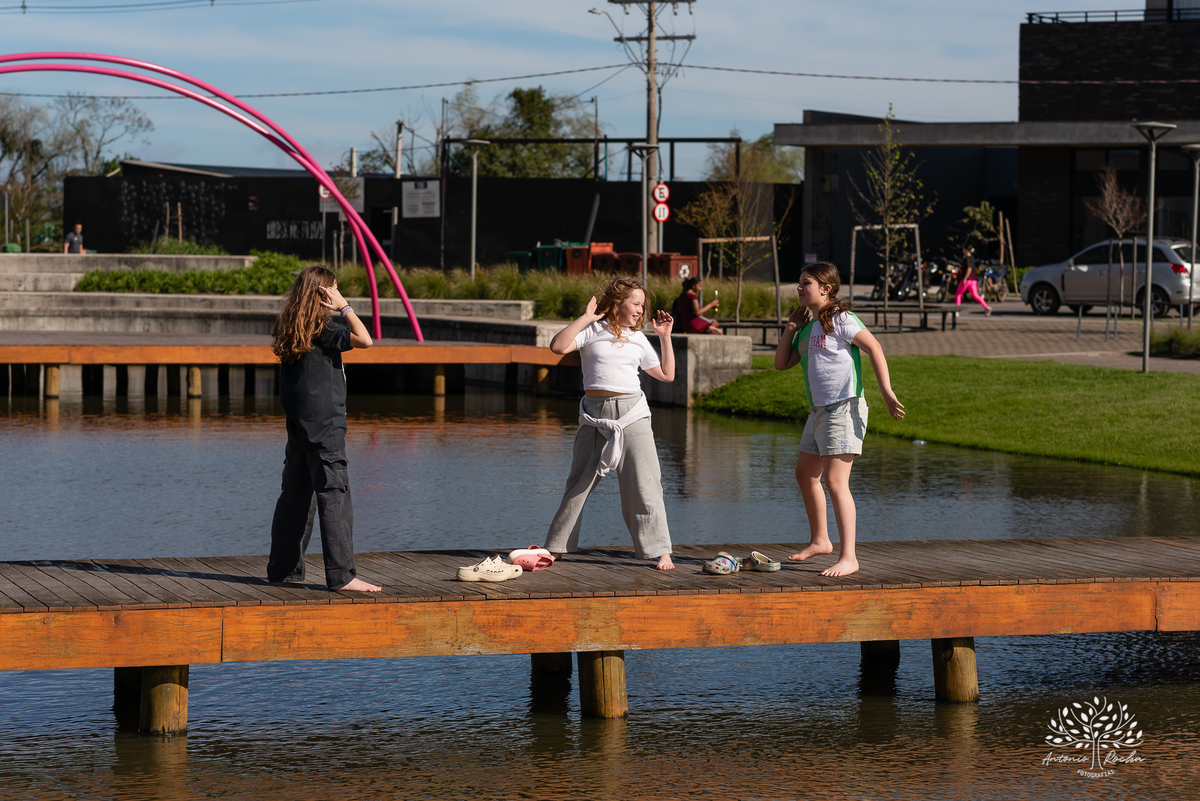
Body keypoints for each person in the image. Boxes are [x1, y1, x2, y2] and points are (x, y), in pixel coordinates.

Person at [773, 261, 905, 577]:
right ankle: (820, 540)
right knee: (805, 474)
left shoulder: (841, 319)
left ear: (826, 288)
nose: (799, 288)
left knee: (835, 481)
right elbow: (781, 363)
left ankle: (850, 557)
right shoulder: (806, 328)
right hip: (818, 412)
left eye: (806, 283)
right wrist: (791, 327)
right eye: (799, 282)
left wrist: (886, 391)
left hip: (844, 408)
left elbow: (874, 347)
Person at [544, 276, 677, 570]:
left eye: (643, 305)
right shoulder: (591, 330)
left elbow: (667, 375)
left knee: (645, 484)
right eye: (636, 303)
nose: (640, 310)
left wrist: (665, 337)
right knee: (578, 483)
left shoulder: (639, 339)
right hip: (594, 415)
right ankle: (556, 546)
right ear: (618, 304)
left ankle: (659, 550)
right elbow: (558, 346)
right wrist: (585, 318)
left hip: (632, 414)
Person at [267, 265, 381, 592]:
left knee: (295, 501)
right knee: (335, 501)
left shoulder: (290, 327)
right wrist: (345, 306)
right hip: (326, 430)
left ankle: (283, 571)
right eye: (332, 290)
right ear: (323, 295)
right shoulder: (324, 329)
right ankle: (342, 576)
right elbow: (366, 340)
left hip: (299, 431)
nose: (336, 295)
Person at [954, 244, 991, 317]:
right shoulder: (972, 258)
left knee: (958, 294)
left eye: (963, 249)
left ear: (965, 250)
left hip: (967, 279)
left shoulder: (967, 258)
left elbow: (969, 268)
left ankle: (955, 311)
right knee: (975, 295)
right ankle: (987, 308)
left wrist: (965, 278)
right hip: (973, 280)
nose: (962, 250)